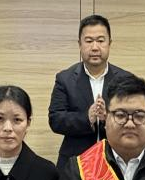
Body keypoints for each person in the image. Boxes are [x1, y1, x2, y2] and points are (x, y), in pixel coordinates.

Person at [48, 14, 134, 167]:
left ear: (109, 43)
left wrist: (109, 117)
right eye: (88, 41)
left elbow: (133, 119)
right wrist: (87, 118)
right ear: (80, 44)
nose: (95, 47)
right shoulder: (65, 79)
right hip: (76, 163)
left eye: (100, 41)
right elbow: (56, 120)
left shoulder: (126, 80)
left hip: (116, 161)